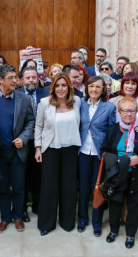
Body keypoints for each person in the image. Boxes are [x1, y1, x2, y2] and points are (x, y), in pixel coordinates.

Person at [0, 64, 35, 233]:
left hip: (18, 151)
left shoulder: (24, 99)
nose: (14, 81)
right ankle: (5, 218)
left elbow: (30, 121)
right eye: (10, 78)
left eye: (15, 77)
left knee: (18, 186)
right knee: (2, 188)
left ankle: (18, 216)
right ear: (0, 80)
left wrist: (24, 138)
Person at [101, 96, 138, 248]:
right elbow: (104, 151)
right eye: (125, 111)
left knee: (134, 204)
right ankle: (113, 231)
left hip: (137, 173)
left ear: (136, 112)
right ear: (119, 112)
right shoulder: (112, 129)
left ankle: (130, 234)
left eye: (132, 111)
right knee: (115, 201)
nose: (129, 114)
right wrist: (118, 161)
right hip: (117, 174)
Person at [35, 73, 81, 236]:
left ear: (69, 87)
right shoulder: (44, 103)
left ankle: (67, 222)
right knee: (49, 187)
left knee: (68, 187)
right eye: (57, 85)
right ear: (52, 87)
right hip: (51, 149)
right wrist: (38, 148)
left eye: (64, 85)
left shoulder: (76, 102)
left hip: (70, 149)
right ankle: (47, 223)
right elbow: (38, 127)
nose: (61, 89)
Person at [78, 76, 116, 237]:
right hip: (83, 152)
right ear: (87, 88)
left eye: (98, 87)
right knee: (83, 187)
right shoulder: (80, 105)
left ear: (103, 90)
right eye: (91, 86)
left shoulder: (109, 107)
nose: (94, 89)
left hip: (100, 154)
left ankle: (96, 222)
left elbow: (112, 131)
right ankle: (82, 219)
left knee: (97, 188)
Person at [16, 66, 49, 222]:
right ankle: (22, 208)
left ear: (38, 79)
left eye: (33, 77)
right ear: (22, 80)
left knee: (39, 176)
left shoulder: (46, 93)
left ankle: (38, 204)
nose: (30, 80)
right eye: (27, 77)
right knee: (22, 176)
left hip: (42, 142)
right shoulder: (17, 94)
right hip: (23, 142)